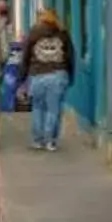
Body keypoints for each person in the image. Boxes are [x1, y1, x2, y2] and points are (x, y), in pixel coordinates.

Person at [21, 11, 75, 150]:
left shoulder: (34, 32)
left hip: (37, 74)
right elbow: (70, 56)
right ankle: (50, 141)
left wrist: (22, 77)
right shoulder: (63, 33)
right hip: (58, 74)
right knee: (54, 109)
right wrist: (70, 75)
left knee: (38, 108)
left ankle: (38, 140)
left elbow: (25, 55)